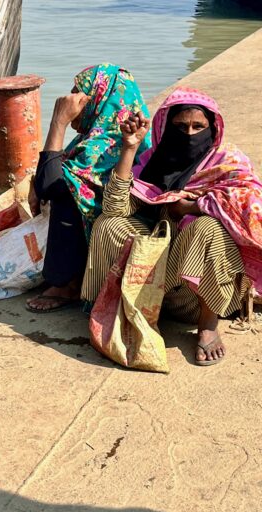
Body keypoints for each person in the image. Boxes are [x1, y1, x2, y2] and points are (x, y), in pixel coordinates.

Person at [82, 86, 262, 366]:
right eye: (180, 126)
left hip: (204, 290)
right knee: (109, 224)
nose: (189, 134)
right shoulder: (154, 162)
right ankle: (113, 307)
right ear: (165, 127)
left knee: (206, 227)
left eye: (197, 126)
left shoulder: (227, 162)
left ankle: (208, 325)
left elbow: (250, 205)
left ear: (212, 128)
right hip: (163, 282)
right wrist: (129, 148)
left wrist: (193, 206)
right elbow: (115, 208)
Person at [26, 63, 150, 312]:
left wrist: (58, 122)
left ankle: (67, 284)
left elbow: (51, 186)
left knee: (66, 195)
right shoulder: (99, 133)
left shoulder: (107, 142)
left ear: (101, 99)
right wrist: (33, 183)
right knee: (62, 182)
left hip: (116, 231)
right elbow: (48, 176)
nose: (71, 101)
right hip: (109, 225)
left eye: (79, 94)